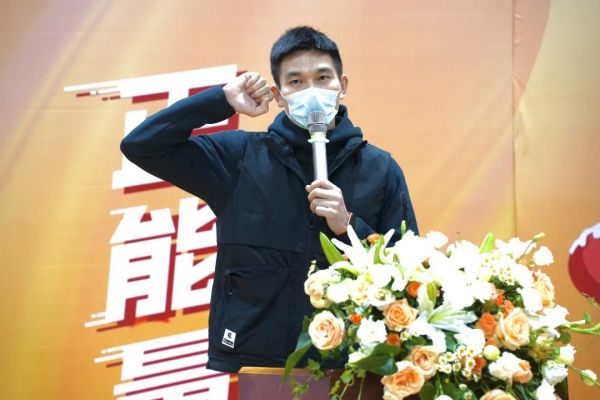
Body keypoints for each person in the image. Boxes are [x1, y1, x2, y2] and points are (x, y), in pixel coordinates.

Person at [120, 26, 418, 373]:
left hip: (352, 361)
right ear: (278, 94)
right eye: (296, 82)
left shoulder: (380, 169)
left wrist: (349, 226)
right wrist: (221, 100)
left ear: (343, 85)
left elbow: (410, 272)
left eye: (323, 78)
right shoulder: (240, 156)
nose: (312, 91)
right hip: (256, 359)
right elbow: (142, 145)